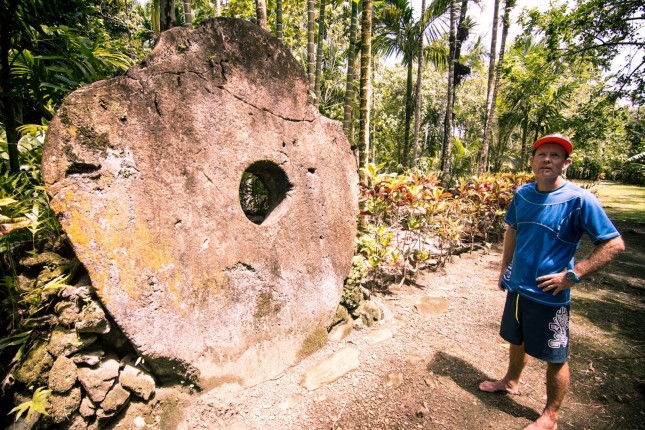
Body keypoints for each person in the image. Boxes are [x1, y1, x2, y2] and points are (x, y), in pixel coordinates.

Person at [479, 133, 625, 430]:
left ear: (565, 163)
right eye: (542, 154)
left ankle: (550, 416)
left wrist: (574, 275)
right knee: (516, 340)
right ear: (532, 161)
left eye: (555, 155)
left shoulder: (580, 199)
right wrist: (504, 269)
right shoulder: (522, 194)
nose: (547, 159)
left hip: (550, 295)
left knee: (555, 355)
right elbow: (512, 231)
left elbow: (613, 244)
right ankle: (510, 381)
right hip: (518, 289)